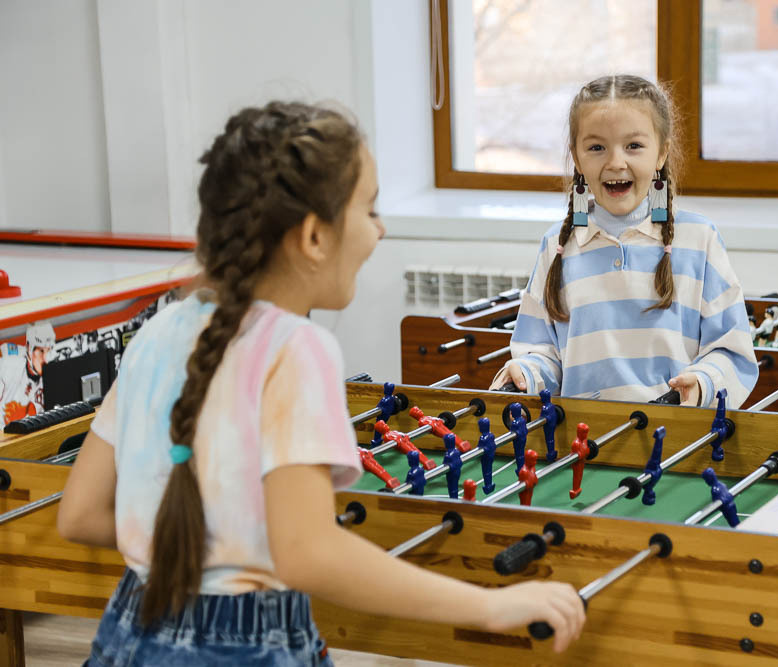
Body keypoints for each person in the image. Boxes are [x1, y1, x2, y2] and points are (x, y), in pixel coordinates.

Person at [57, 102, 584, 664]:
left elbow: (81, 515)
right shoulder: (296, 349)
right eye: (369, 208)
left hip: (128, 630)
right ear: (313, 236)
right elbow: (307, 553)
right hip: (247, 644)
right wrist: (490, 607)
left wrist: (202, 546)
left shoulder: (158, 332)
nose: (380, 229)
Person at [489, 75, 757, 407]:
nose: (616, 162)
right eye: (597, 147)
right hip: (582, 443)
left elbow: (733, 353)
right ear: (576, 156)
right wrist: (527, 372)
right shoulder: (555, 246)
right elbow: (541, 352)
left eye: (633, 146)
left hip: (676, 440)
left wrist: (702, 383)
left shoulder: (699, 240)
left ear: (661, 153)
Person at [0, 321, 54, 424]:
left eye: (48, 350)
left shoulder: (52, 373)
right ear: (29, 348)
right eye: (41, 351)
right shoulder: (9, 364)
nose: (45, 358)